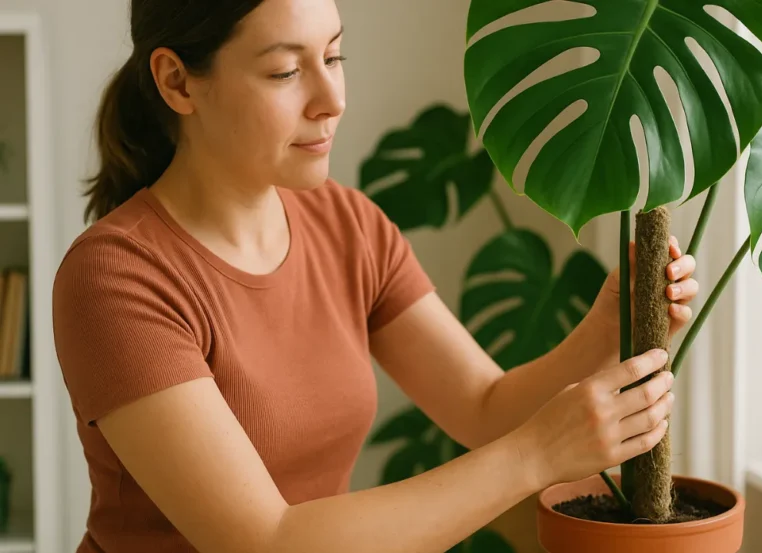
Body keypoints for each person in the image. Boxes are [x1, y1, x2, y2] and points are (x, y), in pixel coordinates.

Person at [51, 1, 700, 552]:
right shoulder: (117, 277)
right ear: (178, 82)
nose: (332, 100)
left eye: (334, 57)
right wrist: (535, 456)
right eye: (285, 71)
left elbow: (483, 406)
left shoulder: (347, 225)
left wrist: (608, 322)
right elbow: (264, 541)